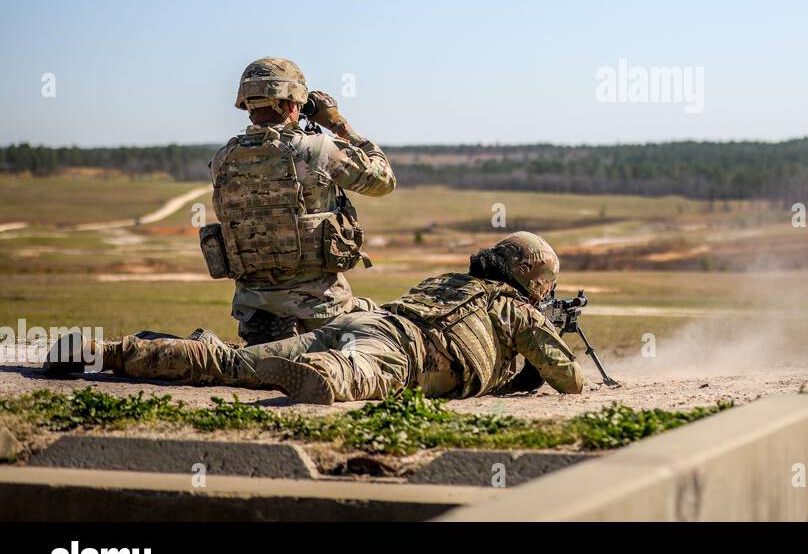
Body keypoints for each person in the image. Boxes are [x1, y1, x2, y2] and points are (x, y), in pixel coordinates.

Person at [45, 232, 584, 405]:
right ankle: (327, 375)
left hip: (366, 321)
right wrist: (542, 348)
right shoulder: (513, 308)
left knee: (232, 363)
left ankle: (110, 351)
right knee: (359, 374)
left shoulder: (451, 281)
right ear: (533, 280)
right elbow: (571, 381)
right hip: (404, 349)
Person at [201, 57, 396, 345]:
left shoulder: (222, 159)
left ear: (247, 105)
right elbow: (384, 181)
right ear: (293, 104)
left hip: (254, 312)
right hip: (323, 310)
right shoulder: (318, 150)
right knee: (391, 326)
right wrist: (340, 126)